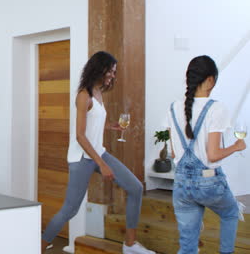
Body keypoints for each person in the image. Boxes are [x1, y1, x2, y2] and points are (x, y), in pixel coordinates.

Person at [41, 51, 155, 254]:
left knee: (135, 188)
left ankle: (130, 244)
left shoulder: (99, 93)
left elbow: (93, 126)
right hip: (81, 158)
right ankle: (38, 246)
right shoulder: (84, 95)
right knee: (70, 209)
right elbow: (80, 136)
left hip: (97, 153)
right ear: (99, 69)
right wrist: (101, 164)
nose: (113, 75)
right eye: (110, 71)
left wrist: (111, 126)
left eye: (114, 72)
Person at [165, 55, 246, 254]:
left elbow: (174, 152)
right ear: (210, 80)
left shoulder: (173, 108)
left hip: (182, 185)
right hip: (209, 184)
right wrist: (236, 147)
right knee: (231, 213)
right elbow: (213, 154)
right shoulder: (216, 108)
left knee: (187, 246)